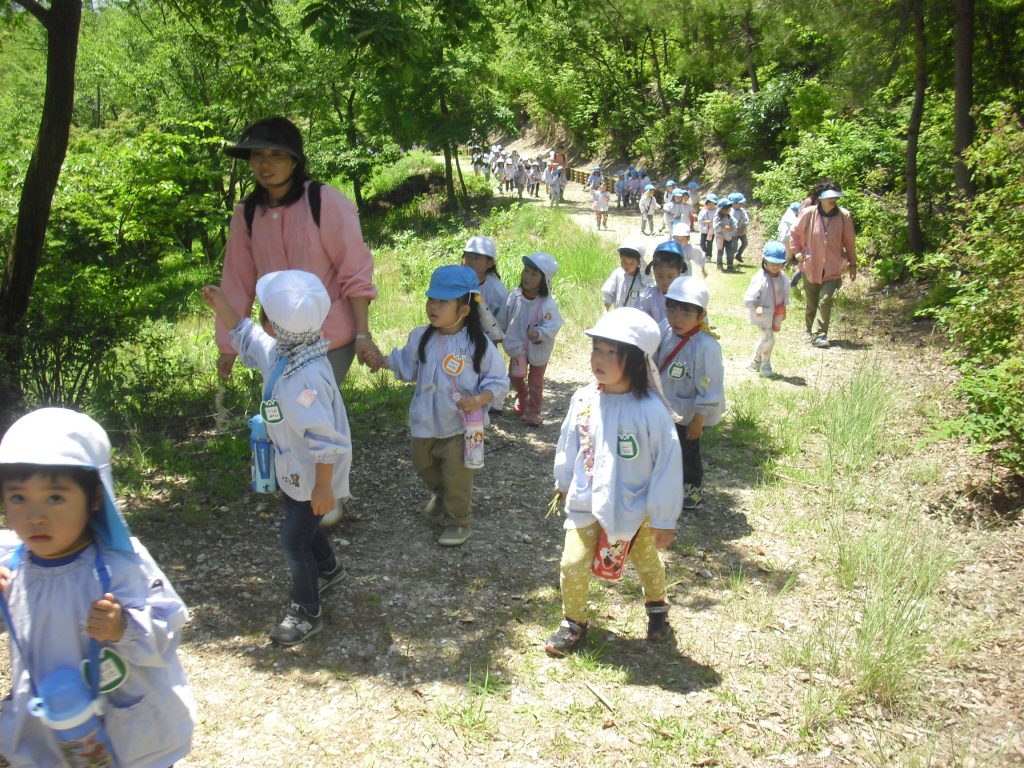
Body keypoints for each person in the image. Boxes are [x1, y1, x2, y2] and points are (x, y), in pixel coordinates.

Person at [0, 408, 194, 766]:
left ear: (94, 499)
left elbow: (167, 629)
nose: (35, 516)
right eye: (18, 498)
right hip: (51, 721)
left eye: (55, 498)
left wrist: (123, 627)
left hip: (124, 725)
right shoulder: (12, 564)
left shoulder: (120, 565)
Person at [203, 270, 350, 645]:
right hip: (295, 469)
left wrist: (322, 487)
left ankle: (306, 610)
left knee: (293, 541)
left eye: (263, 313)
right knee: (303, 523)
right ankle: (329, 568)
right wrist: (222, 305)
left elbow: (323, 439)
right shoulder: (287, 352)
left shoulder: (307, 380)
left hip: (313, 473)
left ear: (276, 326)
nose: (260, 321)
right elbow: (249, 336)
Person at [545, 308, 683, 656]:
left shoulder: (650, 411)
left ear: (636, 362)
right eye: (596, 349)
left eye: (611, 352)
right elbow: (569, 442)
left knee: (646, 561)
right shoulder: (584, 399)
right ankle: (573, 621)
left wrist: (664, 518)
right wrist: (563, 480)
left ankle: (657, 608)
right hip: (586, 501)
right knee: (572, 562)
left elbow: (668, 464)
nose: (599, 359)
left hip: (635, 509)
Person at [218, 117, 381, 386]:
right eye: (257, 155)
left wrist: (363, 334)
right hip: (278, 338)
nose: (265, 164)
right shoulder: (247, 212)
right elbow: (237, 280)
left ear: (294, 161)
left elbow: (354, 269)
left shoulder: (324, 201)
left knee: (309, 410)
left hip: (331, 336)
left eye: (276, 155)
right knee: (287, 416)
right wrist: (228, 344)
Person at [372, 266, 508, 546]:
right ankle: (441, 493)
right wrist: (382, 361)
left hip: (460, 426)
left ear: (464, 310)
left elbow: (498, 381)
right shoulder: (421, 336)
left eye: (442, 301)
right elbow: (405, 363)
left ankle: (460, 521)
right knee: (421, 462)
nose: (432, 306)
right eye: (431, 299)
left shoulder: (477, 345)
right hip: (426, 421)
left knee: (457, 475)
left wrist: (480, 400)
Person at [655, 277, 725, 511]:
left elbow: (709, 383)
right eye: (672, 310)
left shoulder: (705, 346)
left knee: (687, 451)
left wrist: (700, 417)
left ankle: (691, 488)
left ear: (701, 315)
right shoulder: (665, 330)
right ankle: (665, 486)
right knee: (662, 447)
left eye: (685, 314)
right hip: (663, 406)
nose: (677, 319)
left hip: (687, 413)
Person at [499, 254, 563, 426]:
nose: (527, 276)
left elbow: (554, 323)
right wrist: (499, 332)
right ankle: (523, 396)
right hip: (517, 345)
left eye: (534, 274)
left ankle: (534, 411)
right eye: (526, 271)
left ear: (544, 279)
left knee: (536, 382)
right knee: (515, 375)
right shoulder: (514, 297)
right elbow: (504, 317)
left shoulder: (547, 304)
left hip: (539, 348)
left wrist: (540, 333)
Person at [789, 184, 857, 348]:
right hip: (811, 265)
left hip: (833, 267)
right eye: (829, 197)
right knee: (811, 303)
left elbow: (849, 241)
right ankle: (808, 330)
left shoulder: (844, 216)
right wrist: (797, 253)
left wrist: (853, 264)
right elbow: (794, 233)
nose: (833, 200)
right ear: (821, 198)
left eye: (835, 197)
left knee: (825, 300)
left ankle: (820, 334)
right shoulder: (809, 213)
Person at [744, 241, 791, 377]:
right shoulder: (760, 278)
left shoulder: (783, 278)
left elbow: (785, 294)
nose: (775, 266)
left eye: (779, 263)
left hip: (776, 313)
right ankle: (765, 365)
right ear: (764, 261)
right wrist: (756, 306)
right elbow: (750, 296)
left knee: (766, 338)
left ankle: (755, 361)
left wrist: (784, 310)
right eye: (772, 263)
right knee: (769, 338)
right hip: (762, 313)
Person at [638, 240, 688, 325]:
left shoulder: (687, 297)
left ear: (679, 272)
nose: (665, 281)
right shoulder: (648, 297)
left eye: (670, 276)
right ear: (654, 272)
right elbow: (640, 321)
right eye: (660, 276)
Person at [602, 240, 649, 310]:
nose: (627, 266)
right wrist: (605, 310)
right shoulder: (617, 274)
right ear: (620, 259)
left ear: (639, 262)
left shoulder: (643, 278)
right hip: (619, 314)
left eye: (631, 263)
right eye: (624, 262)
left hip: (636, 317)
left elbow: (648, 299)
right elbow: (609, 294)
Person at [714, 197, 739, 271]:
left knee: (729, 252)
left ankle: (730, 265)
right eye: (728, 208)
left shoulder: (729, 216)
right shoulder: (717, 217)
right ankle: (719, 264)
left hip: (728, 237)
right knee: (720, 251)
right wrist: (723, 227)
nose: (729, 210)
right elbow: (716, 227)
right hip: (720, 237)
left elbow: (734, 223)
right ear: (722, 209)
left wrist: (733, 227)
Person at [729, 192, 750, 263]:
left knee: (745, 243)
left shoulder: (742, 211)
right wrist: (736, 229)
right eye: (739, 203)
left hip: (742, 231)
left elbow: (746, 220)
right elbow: (730, 222)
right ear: (734, 203)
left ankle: (738, 255)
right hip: (734, 233)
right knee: (734, 247)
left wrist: (743, 227)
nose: (741, 204)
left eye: (742, 203)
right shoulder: (731, 211)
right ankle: (730, 259)